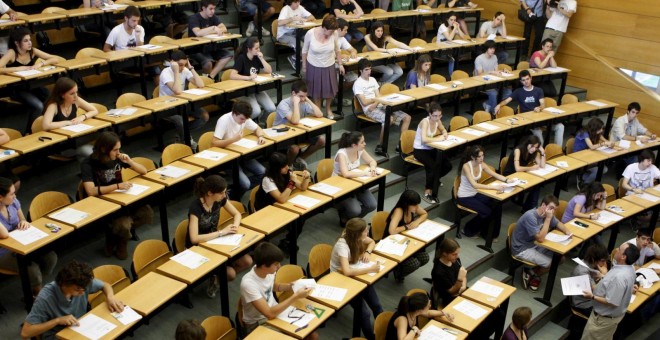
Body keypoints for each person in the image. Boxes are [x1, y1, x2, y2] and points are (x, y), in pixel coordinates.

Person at [81, 132, 152, 260]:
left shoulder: (117, 157)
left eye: (119, 149)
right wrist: (117, 186)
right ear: (103, 149)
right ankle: (121, 236)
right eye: (115, 150)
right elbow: (90, 191)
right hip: (103, 202)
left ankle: (116, 236)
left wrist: (129, 161)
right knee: (123, 228)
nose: (118, 153)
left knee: (147, 213)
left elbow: (144, 171)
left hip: (120, 197)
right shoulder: (88, 163)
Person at [20, 260, 125, 340]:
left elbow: (105, 285)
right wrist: (57, 320)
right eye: (78, 289)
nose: (83, 292)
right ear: (64, 284)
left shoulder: (82, 282)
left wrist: (110, 297)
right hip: (58, 335)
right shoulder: (46, 297)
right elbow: (25, 332)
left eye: (84, 288)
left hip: (81, 326)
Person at [187, 175, 253, 298]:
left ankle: (217, 276)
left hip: (217, 239)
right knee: (231, 274)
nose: (224, 195)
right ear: (210, 193)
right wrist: (222, 233)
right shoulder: (195, 207)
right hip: (200, 246)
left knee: (247, 261)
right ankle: (217, 277)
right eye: (222, 193)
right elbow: (194, 238)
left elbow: (237, 214)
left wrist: (235, 227)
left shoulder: (220, 200)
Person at [239, 242, 316, 338]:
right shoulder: (248, 284)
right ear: (264, 266)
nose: (279, 267)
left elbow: (273, 286)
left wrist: (290, 286)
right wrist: (295, 296)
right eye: (276, 264)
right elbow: (269, 314)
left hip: (275, 311)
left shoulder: (267, 271)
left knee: (311, 335)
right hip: (258, 322)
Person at [432, 237, 503, 338]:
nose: (457, 256)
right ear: (444, 253)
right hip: (451, 300)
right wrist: (460, 281)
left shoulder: (455, 260)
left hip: (462, 292)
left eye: (457, 253)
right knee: (478, 323)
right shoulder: (438, 271)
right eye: (454, 254)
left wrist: (463, 284)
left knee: (498, 312)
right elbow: (452, 291)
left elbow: (463, 272)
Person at [0, 177, 57, 296]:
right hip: (3, 251)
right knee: (31, 270)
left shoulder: (12, 202)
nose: (15, 196)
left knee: (50, 257)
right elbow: (4, 235)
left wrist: (24, 223)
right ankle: (36, 296)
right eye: (11, 194)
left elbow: (24, 220)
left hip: (21, 241)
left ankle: (36, 287)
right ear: (0, 197)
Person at [330, 218, 383, 340]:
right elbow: (347, 272)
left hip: (356, 272)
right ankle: (371, 338)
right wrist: (370, 269)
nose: (367, 232)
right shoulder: (342, 245)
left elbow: (372, 242)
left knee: (377, 305)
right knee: (364, 314)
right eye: (365, 231)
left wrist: (368, 252)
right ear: (357, 233)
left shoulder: (357, 236)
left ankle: (384, 331)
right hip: (340, 278)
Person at [0, 27, 60, 132]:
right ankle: (31, 131)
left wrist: (41, 63)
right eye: (26, 41)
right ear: (17, 43)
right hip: (17, 89)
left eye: (30, 40)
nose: (30, 43)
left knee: (52, 99)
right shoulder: (12, 53)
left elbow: (55, 58)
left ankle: (48, 125)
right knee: (38, 106)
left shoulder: (32, 51)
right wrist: (19, 68)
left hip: (33, 85)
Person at [512, 194, 572, 291]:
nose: (552, 211)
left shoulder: (548, 213)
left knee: (561, 258)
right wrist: (548, 219)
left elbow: (558, 223)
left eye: (555, 209)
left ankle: (531, 273)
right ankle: (532, 274)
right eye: (551, 208)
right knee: (550, 263)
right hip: (521, 249)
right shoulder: (530, 216)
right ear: (543, 205)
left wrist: (567, 232)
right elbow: (540, 239)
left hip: (533, 244)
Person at [580, 242, 639, 340]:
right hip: (610, 319)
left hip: (602, 320)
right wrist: (603, 277)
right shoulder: (629, 268)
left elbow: (612, 302)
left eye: (619, 249)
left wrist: (592, 297)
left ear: (623, 256)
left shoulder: (619, 277)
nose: (616, 249)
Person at [353, 58, 411, 156]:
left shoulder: (373, 80)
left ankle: (400, 145)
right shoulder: (357, 84)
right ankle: (380, 146)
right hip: (369, 110)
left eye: (370, 69)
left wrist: (376, 101)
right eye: (366, 70)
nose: (369, 72)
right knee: (389, 119)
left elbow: (378, 96)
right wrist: (377, 100)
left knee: (407, 118)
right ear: (361, 71)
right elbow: (364, 102)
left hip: (379, 104)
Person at [494, 70, 562, 147]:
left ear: (531, 78)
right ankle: (540, 154)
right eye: (523, 80)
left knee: (560, 126)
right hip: (528, 121)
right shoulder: (518, 92)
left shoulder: (538, 90)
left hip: (540, 118)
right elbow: (506, 101)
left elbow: (543, 104)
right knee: (539, 136)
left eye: (527, 79)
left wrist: (539, 108)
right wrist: (499, 105)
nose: (526, 81)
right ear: (521, 81)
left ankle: (558, 149)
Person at [212, 100, 267, 195]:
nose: (243, 122)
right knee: (245, 184)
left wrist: (261, 136)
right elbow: (214, 143)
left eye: (245, 120)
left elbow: (257, 128)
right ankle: (231, 194)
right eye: (242, 119)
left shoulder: (244, 117)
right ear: (234, 113)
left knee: (263, 172)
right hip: (228, 158)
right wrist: (233, 139)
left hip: (242, 154)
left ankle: (233, 190)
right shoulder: (224, 120)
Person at [41, 77, 99, 162]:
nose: (76, 96)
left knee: (102, 136)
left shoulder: (76, 100)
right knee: (97, 145)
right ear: (62, 94)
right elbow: (45, 125)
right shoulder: (53, 105)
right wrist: (67, 122)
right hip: (62, 144)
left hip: (74, 139)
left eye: (76, 92)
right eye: (72, 93)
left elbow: (94, 110)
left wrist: (82, 117)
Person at [456, 145, 507, 240]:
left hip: (475, 194)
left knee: (497, 205)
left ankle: (490, 234)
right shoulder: (466, 166)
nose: (482, 158)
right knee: (487, 212)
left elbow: (495, 174)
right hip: (464, 197)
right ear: (472, 157)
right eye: (479, 156)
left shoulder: (482, 164)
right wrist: (494, 188)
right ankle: (468, 229)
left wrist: (507, 180)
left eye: (483, 155)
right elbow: (474, 185)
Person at [159, 50, 208, 147]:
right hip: (166, 106)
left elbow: (200, 84)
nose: (182, 67)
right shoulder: (166, 73)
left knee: (204, 116)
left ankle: (181, 135)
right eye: (180, 65)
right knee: (180, 121)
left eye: (184, 65)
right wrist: (176, 71)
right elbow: (177, 91)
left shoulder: (185, 70)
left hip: (182, 103)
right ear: (172, 62)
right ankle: (187, 140)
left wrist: (190, 68)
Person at [274, 80, 325, 166]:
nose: (302, 99)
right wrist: (296, 103)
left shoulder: (303, 101)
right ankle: (288, 166)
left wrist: (308, 100)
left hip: (297, 132)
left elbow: (320, 114)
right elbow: (295, 121)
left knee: (321, 140)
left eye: (304, 96)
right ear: (293, 93)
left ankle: (299, 159)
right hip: (282, 135)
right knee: (295, 149)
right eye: (300, 96)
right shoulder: (283, 104)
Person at [333, 131, 377, 227]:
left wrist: (372, 167)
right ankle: (345, 217)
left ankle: (350, 222)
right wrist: (365, 173)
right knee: (355, 210)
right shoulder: (342, 154)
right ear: (354, 145)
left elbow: (372, 161)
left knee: (372, 205)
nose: (365, 144)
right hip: (341, 185)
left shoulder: (360, 150)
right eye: (362, 142)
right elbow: (345, 173)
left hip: (356, 182)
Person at [104, 6, 160, 81]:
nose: (136, 23)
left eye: (137, 20)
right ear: (126, 18)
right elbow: (106, 49)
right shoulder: (116, 31)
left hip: (137, 59)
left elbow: (141, 50)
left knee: (156, 70)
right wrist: (117, 55)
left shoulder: (140, 29)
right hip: (124, 62)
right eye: (133, 20)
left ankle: (160, 92)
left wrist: (137, 37)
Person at [302, 15, 343, 119]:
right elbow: (304, 51)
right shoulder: (310, 33)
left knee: (329, 90)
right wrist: (304, 67)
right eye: (330, 31)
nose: (332, 33)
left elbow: (338, 50)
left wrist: (340, 64)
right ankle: (318, 110)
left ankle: (328, 109)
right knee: (316, 92)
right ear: (324, 28)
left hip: (329, 65)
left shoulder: (334, 34)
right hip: (313, 65)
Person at [385, 190, 430, 281]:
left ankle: (401, 268)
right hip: (392, 243)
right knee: (414, 263)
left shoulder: (413, 207)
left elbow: (425, 214)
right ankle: (398, 271)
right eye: (415, 205)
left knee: (425, 257)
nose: (417, 207)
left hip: (405, 240)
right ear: (406, 204)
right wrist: (407, 227)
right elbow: (392, 230)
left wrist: (416, 221)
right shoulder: (399, 211)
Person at [412, 102, 452, 203]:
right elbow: (424, 140)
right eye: (434, 116)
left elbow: (443, 130)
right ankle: (428, 190)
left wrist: (445, 134)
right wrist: (439, 139)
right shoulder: (425, 122)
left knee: (448, 165)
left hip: (430, 148)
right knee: (433, 167)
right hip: (419, 149)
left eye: (439, 115)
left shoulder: (438, 121)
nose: (437, 118)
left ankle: (435, 181)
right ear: (430, 115)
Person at [230, 37, 276, 121]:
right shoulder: (241, 58)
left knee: (271, 108)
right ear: (249, 49)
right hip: (242, 91)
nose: (258, 50)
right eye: (256, 48)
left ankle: (261, 123)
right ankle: (243, 126)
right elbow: (232, 75)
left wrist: (262, 59)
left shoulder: (257, 57)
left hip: (256, 89)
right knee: (256, 111)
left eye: (259, 47)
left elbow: (269, 70)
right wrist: (248, 77)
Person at [188, 0, 233, 79]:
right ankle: (207, 80)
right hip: (195, 49)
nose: (213, 11)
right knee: (208, 62)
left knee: (228, 55)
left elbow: (224, 28)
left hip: (210, 47)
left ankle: (210, 77)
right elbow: (198, 33)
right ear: (203, 8)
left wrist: (210, 31)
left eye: (214, 9)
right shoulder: (194, 18)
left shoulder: (213, 17)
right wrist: (213, 28)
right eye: (211, 9)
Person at [385, 292, 453, 340]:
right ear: (419, 310)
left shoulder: (414, 311)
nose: (430, 306)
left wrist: (443, 313)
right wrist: (414, 329)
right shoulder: (402, 319)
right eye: (428, 305)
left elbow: (428, 313)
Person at [503, 135, 545, 212]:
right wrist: (531, 168)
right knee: (534, 184)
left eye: (536, 147)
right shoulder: (518, 150)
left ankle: (529, 208)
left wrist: (542, 152)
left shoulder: (533, 152)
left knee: (537, 184)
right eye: (532, 146)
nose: (533, 149)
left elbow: (542, 165)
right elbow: (517, 168)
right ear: (527, 144)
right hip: (510, 175)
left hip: (521, 174)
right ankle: (531, 209)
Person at [569, 244, 609, 317]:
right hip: (583, 303)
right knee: (608, 315)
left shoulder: (593, 264)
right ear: (594, 259)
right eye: (603, 261)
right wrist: (605, 276)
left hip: (591, 298)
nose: (604, 263)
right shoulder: (582, 272)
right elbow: (597, 291)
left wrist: (603, 276)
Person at [572, 118, 613, 186]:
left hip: (587, 154)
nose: (601, 130)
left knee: (603, 168)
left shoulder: (592, 132)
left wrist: (608, 142)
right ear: (595, 127)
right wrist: (603, 144)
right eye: (600, 129)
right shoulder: (584, 133)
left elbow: (601, 137)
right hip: (578, 157)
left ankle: (583, 176)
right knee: (601, 169)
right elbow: (591, 147)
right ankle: (584, 184)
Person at [474, 40, 511, 114]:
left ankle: (488, 104)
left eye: (494, 49)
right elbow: (479, 74)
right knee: (494, 93)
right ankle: (494, 112)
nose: (492, 50)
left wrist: (503, 71)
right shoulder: (479, 59)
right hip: (481, 83)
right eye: (490, 48)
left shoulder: (494, 57)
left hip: (492, 82)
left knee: (508, 92)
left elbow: (496, 71)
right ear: (486, 48)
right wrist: (490, 72)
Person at [277, 0, 315, 68]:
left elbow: (312, 17)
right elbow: (279, 23)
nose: (298, 4)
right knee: (300, 45)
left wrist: (305, 19)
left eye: (299, 2)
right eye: (295, 2)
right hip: (284, 35)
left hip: (295, 32)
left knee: (309, 41)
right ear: (290, 2)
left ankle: (298, 59)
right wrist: (292, 19)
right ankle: (295, 58)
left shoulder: (300, 7)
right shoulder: (285, 9)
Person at [436, 12, 469, 77]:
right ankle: (451, 76)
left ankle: (456, 74)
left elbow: (463, 36)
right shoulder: (443, 27)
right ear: (447, 19)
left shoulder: (452, 27)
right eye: (451, 20)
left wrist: (458, 28)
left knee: (458, 55)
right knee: (452, 59)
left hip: (449, 49)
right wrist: (454, 28)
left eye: (454, 20)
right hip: (440, 49)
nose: (453, 22)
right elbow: (449, 38)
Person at [337, 18, 358, 83]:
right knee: (336, 82)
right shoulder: (329, 38)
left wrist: (353, 52)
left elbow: (352, 49)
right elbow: (328, 54)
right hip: (330, 66)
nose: (346, 32)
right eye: (345, 30)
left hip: (341, 65)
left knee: (356, 78)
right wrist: (342, 56)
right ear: (339, 29)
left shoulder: (341, 38)